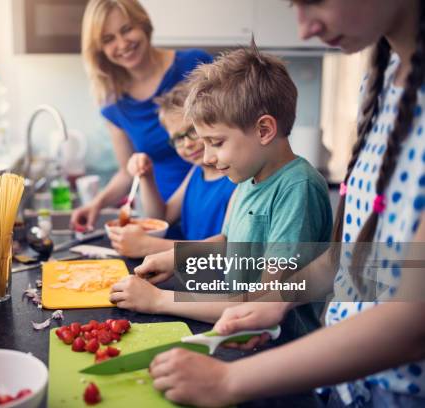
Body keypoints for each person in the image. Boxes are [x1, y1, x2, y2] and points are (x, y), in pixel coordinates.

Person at [147, 1, 425, 407]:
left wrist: (228, 380)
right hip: (344, 384)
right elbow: (342, 261)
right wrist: (277, 298)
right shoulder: (379, 85)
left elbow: (413, 324)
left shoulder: (295, 184)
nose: (304, 28)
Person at [110, 46, 332, 337]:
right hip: (236, 335)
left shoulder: (296, 189)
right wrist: (177, 258)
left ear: (264, 130)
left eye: (216, 142)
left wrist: (160, 300)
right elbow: (229, 243)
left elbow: (264, 305)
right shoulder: (248, 178)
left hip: (278, 350)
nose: (206, 158)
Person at [70, 0, 213, 232]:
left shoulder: (195, 65)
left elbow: (229, 132)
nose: (122, 44)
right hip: (164, 215)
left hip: (214, 200)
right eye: (108, 39)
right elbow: (128, 171)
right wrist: (97, 204)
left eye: (126, 30)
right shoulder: (114, 103)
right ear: (100, 50)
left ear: (143, 24)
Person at [107, 81, 236, 258]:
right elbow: (162, 217)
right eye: (178, 138)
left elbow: (228, 251)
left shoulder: (236, 179)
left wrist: (148, 246)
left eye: (192, 131)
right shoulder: (196, 172)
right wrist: (147, 176)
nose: (188, 144)